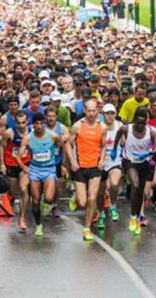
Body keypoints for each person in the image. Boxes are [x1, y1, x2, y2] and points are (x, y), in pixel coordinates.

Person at [113, 107, 156, 236]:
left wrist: (150, 155)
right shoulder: (126, 129)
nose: (140, 126)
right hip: (130, 161)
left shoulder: (151, 132)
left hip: (144, 163)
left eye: (143, 123)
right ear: (134, 120)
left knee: (141, 192)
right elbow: (118, 135)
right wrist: (114, 149)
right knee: (135, 185)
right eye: (138, 123)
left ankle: (138, 217)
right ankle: (133, 217)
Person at [16, 113, 63, 237]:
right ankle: (38, 225)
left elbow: (63, 145)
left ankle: (47, 202)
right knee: (35, 201)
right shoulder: (28, 138)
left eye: (41, 123)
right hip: (35, 170)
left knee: (48, 198)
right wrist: (22, 166)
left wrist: (62, 163)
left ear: (44, 124)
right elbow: (19, 155)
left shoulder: (52, 136)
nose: (39, 126)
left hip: (49, 169)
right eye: (36, 123)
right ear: (33, 125)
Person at [66, 100, 107, 241]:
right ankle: (77, 197)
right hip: (80, 167)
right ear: (84, 110)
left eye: (93, 110)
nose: (91, 113)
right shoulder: (77, 126)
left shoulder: (102, 127)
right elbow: (68, 145)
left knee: (92, 197)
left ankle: (87, 228)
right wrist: (72, 162)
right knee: (83, 203)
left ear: (97, 111)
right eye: (88, 111)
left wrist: (102, 160)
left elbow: (103, 146)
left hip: (95, 167)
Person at [0, 110, 31, 232]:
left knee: (23, 189)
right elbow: (1, 145)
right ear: (15, 122)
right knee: (13, 192)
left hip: (25, 164)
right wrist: (2, 163)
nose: (21, 125)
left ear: (27, 121)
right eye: (18, 123)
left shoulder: (31, 132)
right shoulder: (10, 132)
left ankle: (21, 219)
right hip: (11, 164)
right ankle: (9, 199)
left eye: (23, 122)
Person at [98, 104, 123, 227]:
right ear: (103, 114)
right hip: (101, 161)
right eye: (107, 113)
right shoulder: (99, 126)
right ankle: (101, 212)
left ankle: (113, 204)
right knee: (100, 192)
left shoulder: (119, 126)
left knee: (114, 184)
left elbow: (125, 141)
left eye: (112, 113)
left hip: (115, 160)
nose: (110, 116)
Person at [45, 106, 69, 218]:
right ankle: (44, 202)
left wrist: (64, 164)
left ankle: (54, 205)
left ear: (56, 117)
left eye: (53, 116)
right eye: (49, 116)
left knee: (58, 185)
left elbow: (66, 146)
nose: (51, 118)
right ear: (46, 116)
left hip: (57, 160)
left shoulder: (62, 128)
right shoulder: (41, 127)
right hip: (44, 161)